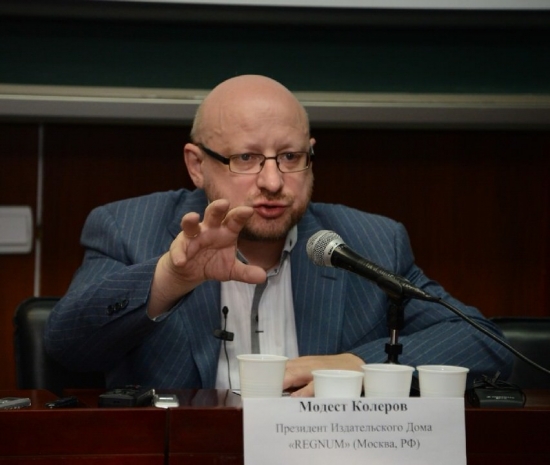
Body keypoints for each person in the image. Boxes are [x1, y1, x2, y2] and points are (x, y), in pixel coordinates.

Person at [45, 75, 513, 396]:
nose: (272, 182)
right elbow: (67, 346)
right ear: (197, 165)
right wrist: (170, 279)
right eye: (246, 159)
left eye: (290, 157)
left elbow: (484, 343)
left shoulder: (370, 241)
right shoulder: (128, 228)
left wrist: (358, 365)